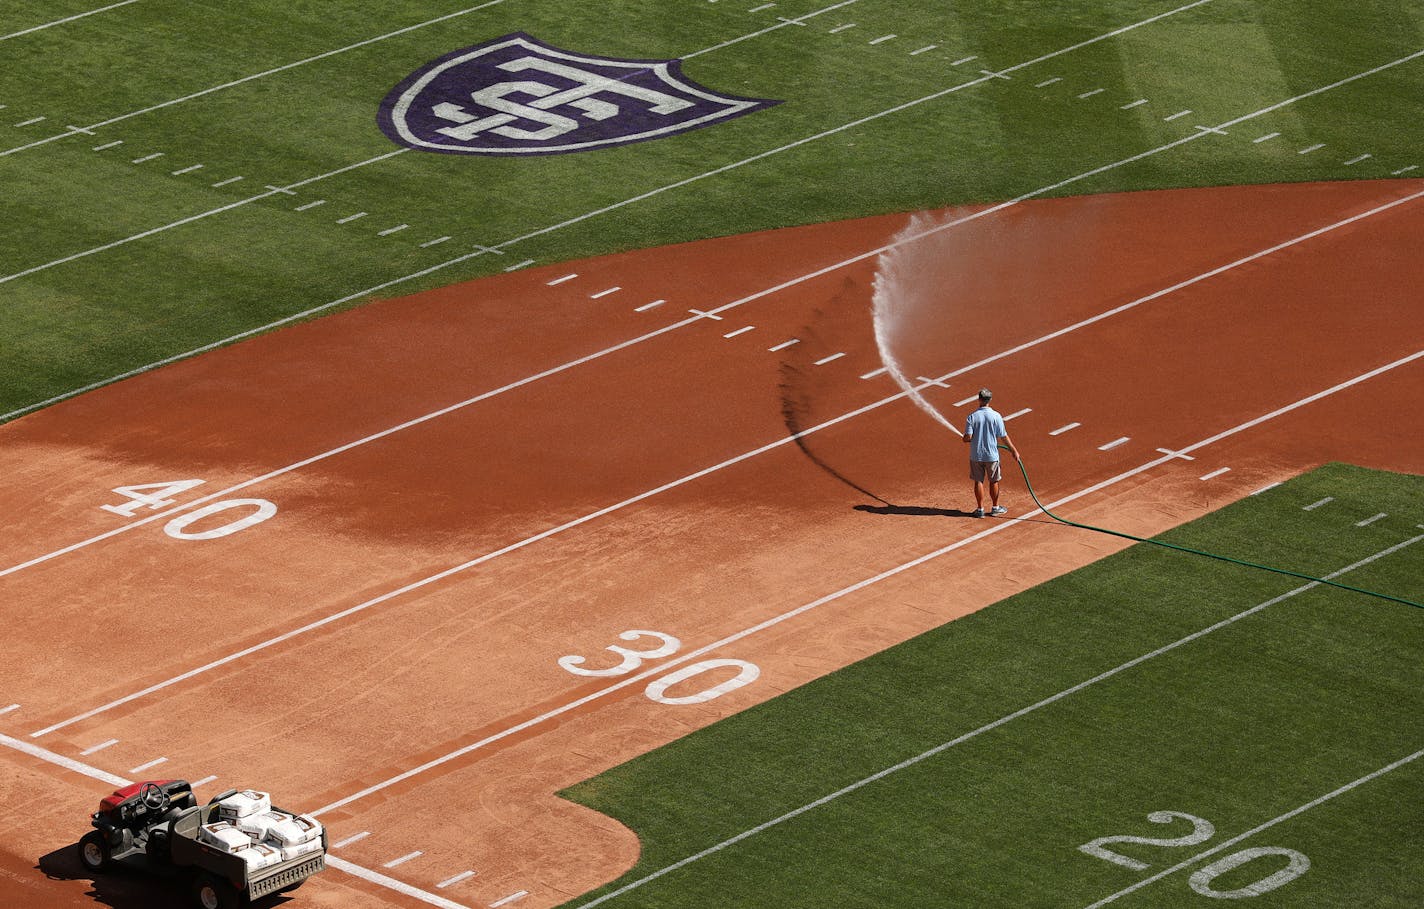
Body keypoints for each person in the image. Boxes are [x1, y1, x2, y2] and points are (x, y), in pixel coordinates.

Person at [961, 387, 1019, 517]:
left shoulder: (972, 417)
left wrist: (964, 438)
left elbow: (968, 438)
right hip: (992, 455)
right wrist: (1013, 450)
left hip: (976, 455)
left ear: (979, 399)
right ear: (990, 400)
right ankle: (995, 507)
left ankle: (980, 509)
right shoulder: (996, 416)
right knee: (994, 481)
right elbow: (1003, 436)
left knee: (978, 481)